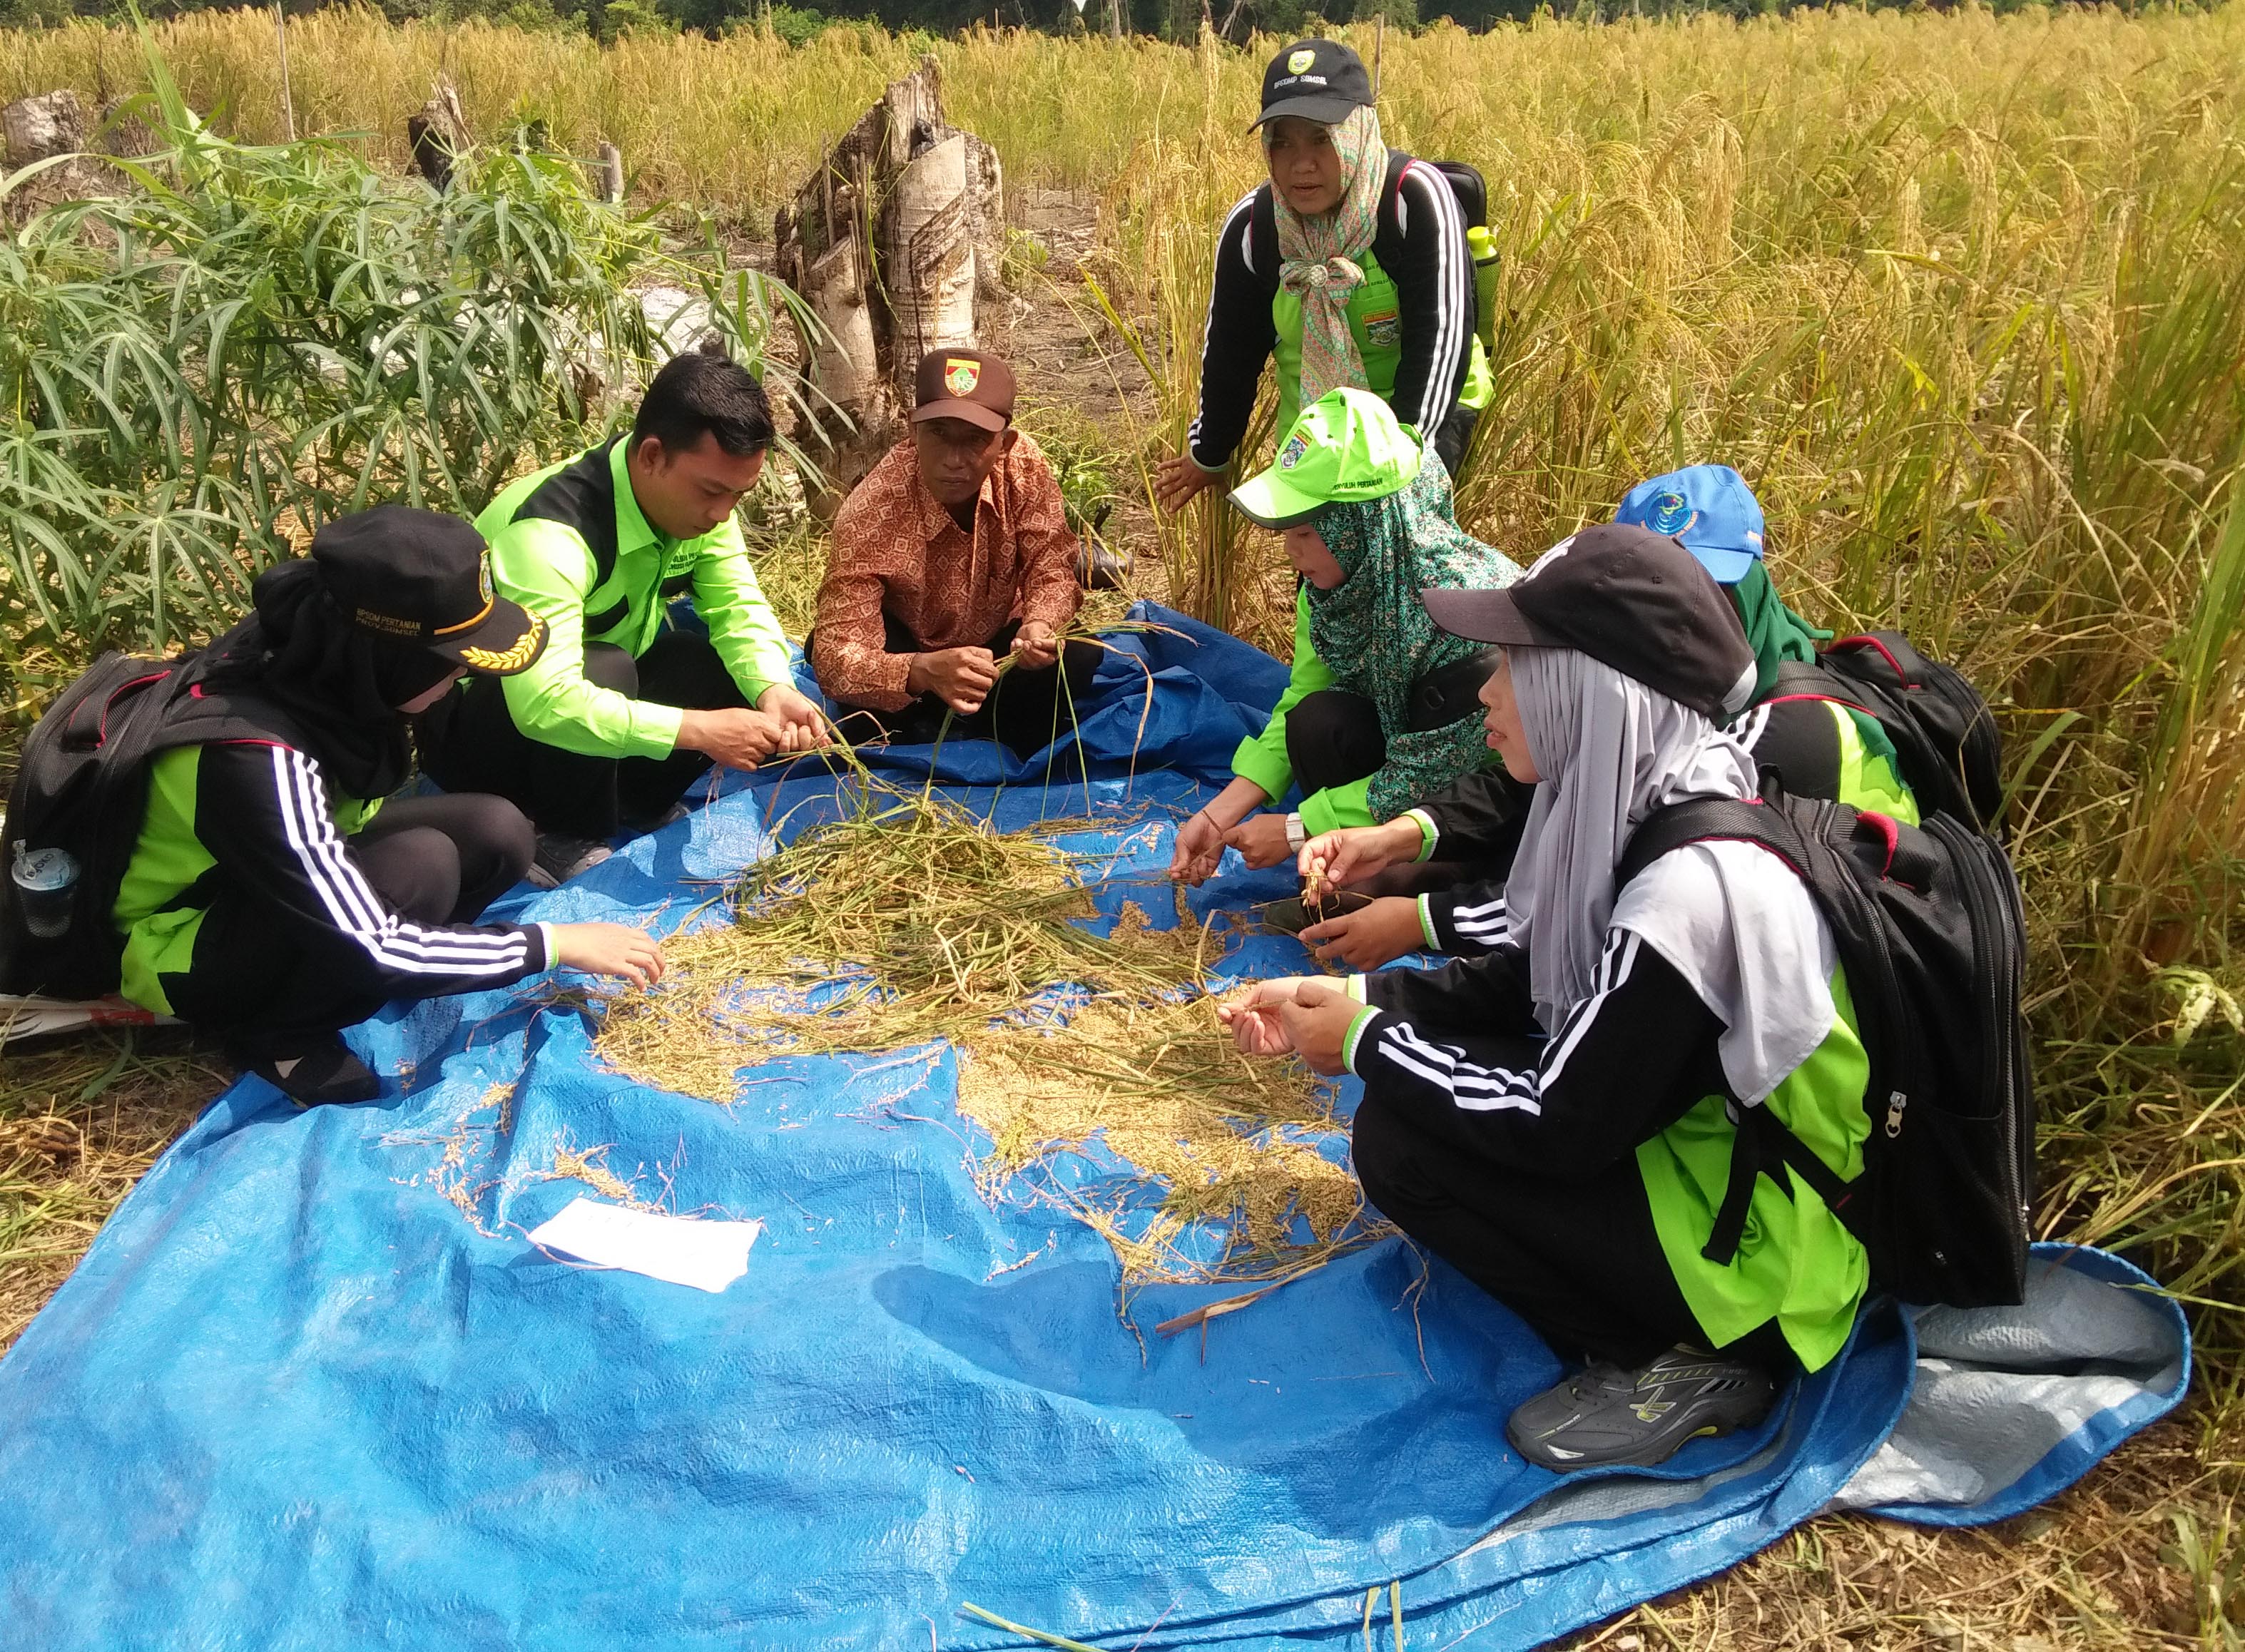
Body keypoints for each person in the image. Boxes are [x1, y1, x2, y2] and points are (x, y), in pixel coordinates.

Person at [1221, 525, 1880, 1472]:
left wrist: (1366, 1041)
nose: (1486, 691)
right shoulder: (1648, 792)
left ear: (1588, 689)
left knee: (1400, 1140)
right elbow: (1530, 974)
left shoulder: (1686, 895)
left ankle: (1686, 1359)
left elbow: (1554, 1122)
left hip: (1769, 1253)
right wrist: (1349, 993)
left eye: (1509, 667)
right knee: (1418, 1101)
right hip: (1695, 1141)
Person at [111, 509, 665, 1108]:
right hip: (176, 939)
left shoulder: (325, 653)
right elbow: (371, 944)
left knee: (497, 831)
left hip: (266, 874)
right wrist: (550, 943)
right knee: (420, 867)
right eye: (451, 664)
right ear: (392, 657)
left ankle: (406, 962)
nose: (458, 681)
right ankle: (278, 1031)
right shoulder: (253, 755)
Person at [1293, 463, 1920, 970]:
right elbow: (1544, 780)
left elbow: (1620, 898)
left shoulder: (1770, 743)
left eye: (1708, 584)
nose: (1683, 612)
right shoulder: (1654, 699)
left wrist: (1421, 924)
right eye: (1659, 585)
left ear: (1753, 583)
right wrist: (1400, 835)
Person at [419, 348, 829, 887]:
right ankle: (562, 835)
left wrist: (773, 688)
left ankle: (629, 804)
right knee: (605, 666)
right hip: (488, 731)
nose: (723, 513)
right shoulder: (550, 533)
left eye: (738, 494)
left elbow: (737, 606)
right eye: (711, 491)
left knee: (698, 660)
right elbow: (544, 703)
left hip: (592, 709)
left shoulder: (701, 510)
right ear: (652, 456)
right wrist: (698, 729)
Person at [1168, 388, 1520, 890]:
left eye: (1307, 534)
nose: (1292, 553)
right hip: (1408, 769)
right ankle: (1353, 865)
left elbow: (1429, 773)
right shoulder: (1335, 589)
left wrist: (1298, 829)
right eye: (1286, 533)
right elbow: (1304, 693)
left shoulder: (1462, 609)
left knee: (1375, 897)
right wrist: (1219, 814)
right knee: (1319, 720)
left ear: (1361, 526)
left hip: (1488, 793)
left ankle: (1401, 876)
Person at [1153, 38, 1492, 514]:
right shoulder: (1255, 227)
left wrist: (1402, 466)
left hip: (1425, 412)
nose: (1301, 163)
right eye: (1282, 141)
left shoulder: (1411, 199)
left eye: (1320, 138)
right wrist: (1210, 454)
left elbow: (1440, 341)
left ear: (1354, 134)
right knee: (1318, 570)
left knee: (1396, 563)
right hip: (1319, 425)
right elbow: (1231, 351)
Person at [808, 349, 1099, 758]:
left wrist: (1039, 625)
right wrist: (920, 671)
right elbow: (836, 656)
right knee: (857, 707)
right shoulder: (872, 510)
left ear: (1005, 443)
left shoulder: (1025, 469)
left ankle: (984, 725)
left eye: (975, 440)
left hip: (1001, 653)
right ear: (913, 430)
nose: (953, 461)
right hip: (910, 657)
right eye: (939, 433)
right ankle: (929, 724)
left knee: (1079, 655)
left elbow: (1050, 567)